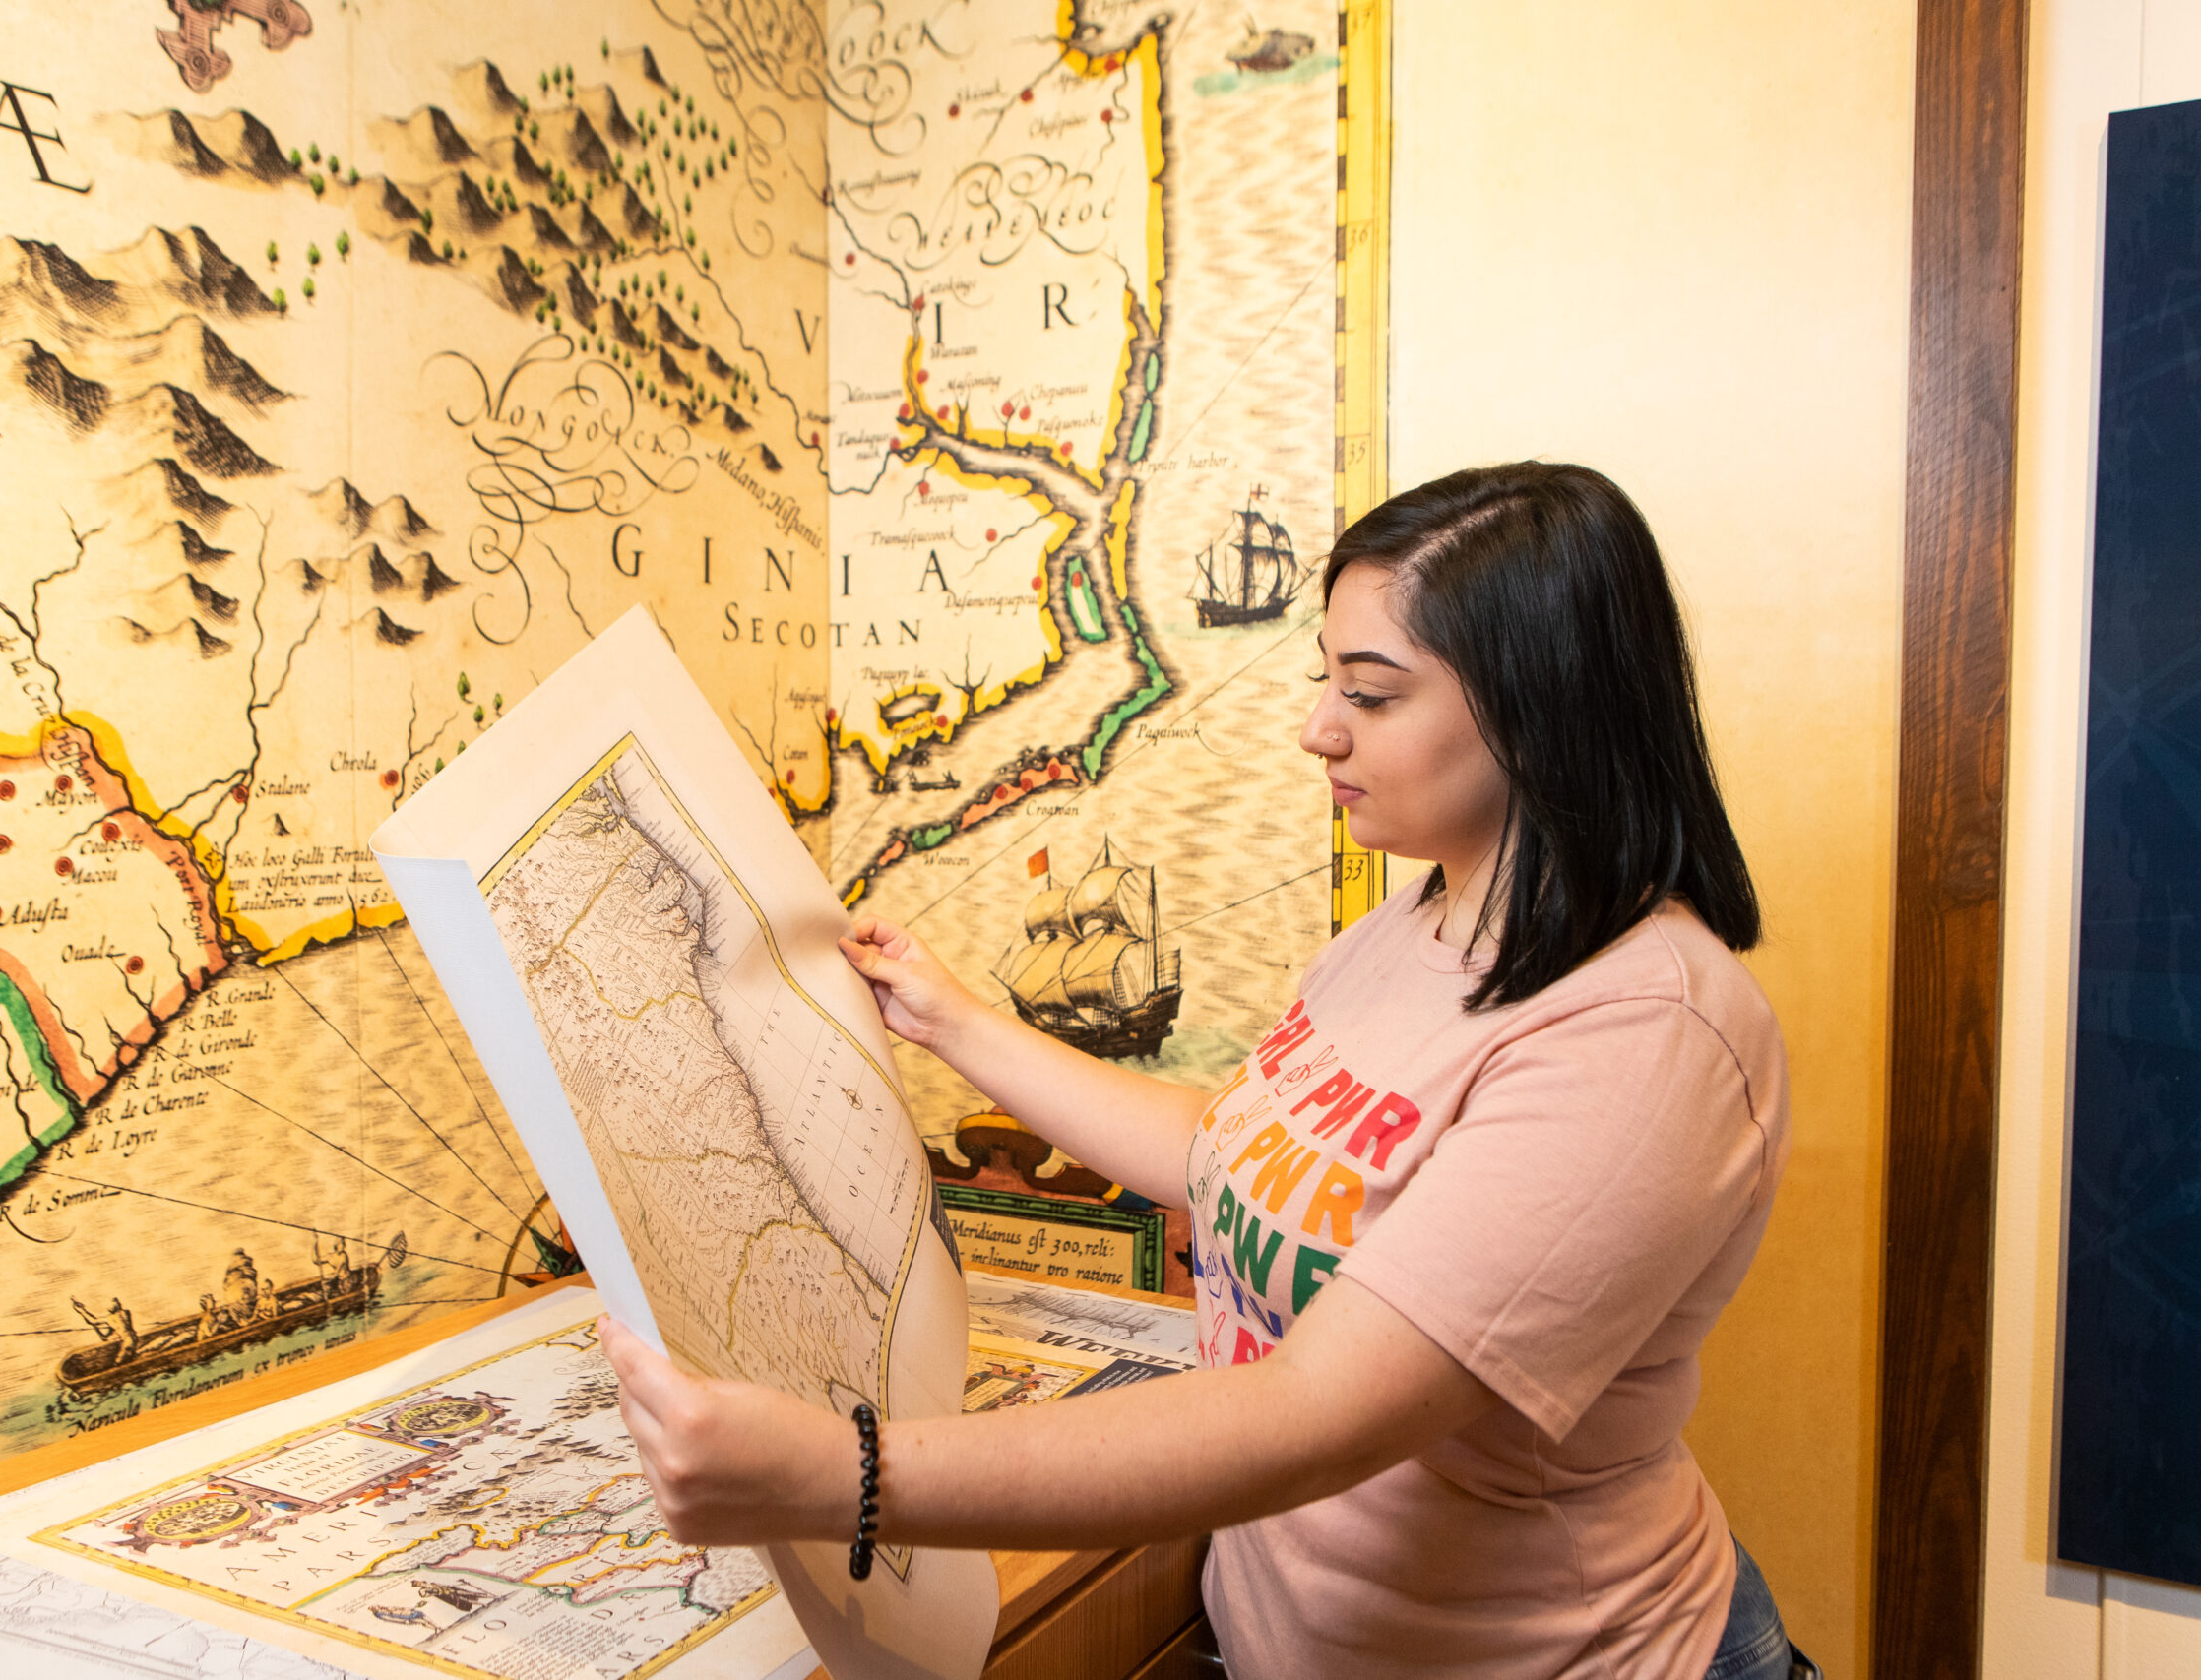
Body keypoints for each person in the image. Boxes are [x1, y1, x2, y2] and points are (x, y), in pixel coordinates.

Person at [602, 463, 1814, 1679]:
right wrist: (952, 1021)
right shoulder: (1400, 931)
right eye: (1323, 682)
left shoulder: (1648, 1029)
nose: (1317, 728)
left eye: (1371, 694)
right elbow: (1227, 1153)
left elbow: (1315, 1415)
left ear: (1537, 707)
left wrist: (840, 1475)